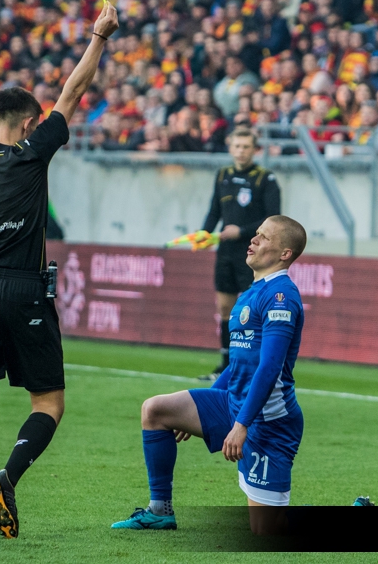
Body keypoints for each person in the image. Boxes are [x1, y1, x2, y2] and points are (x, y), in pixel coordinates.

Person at [0, 2, 119, 539]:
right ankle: (7, 478)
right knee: (49, 402)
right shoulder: (31, 154)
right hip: (24, 289)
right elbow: (73, 93)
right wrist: (99, 36)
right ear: (31, 123)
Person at [111, 215, 307, 535]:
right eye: (256, 233)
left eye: (265, 237)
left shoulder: (281, 296)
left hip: (268, 421)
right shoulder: (251, 292)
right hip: (233, 403)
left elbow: (269, 367)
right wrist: (205, 406)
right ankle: (159, 511)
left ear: (285, 253)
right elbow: (239, 362)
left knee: (265, 531)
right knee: (156, 410)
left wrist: (241, 425)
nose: (253, 240)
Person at [199, 128, 281, 381]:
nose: (241, 151)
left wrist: (242, 232)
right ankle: (225, 366)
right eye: (237, 146)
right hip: (225, 252)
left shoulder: (265, 179)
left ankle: (253, 365)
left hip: (254, 253)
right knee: (225, 308)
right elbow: (215, 211)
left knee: (250, 310)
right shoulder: (222, 175)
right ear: (230, 148)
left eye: (246, 147)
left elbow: (273, 218)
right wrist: (204, 233)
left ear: (255, 150)